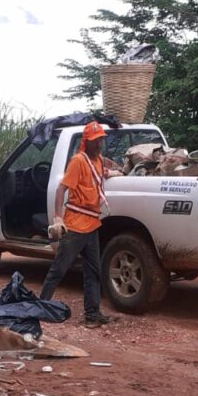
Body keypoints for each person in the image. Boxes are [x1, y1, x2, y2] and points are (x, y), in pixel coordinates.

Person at [39, 121, 120, 328]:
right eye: (95, 141)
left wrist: (115, 173)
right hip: (75, 225)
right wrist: (58, 218)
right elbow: (61, 189)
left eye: (101, 139)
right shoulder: (78, 161)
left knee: (93, 271)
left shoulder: (99, 161)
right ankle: (40, 308)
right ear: (87, 142)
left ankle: (92, 314)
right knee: (59, 269)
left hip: (92, 224)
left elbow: (100, 176)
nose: (99, 143)